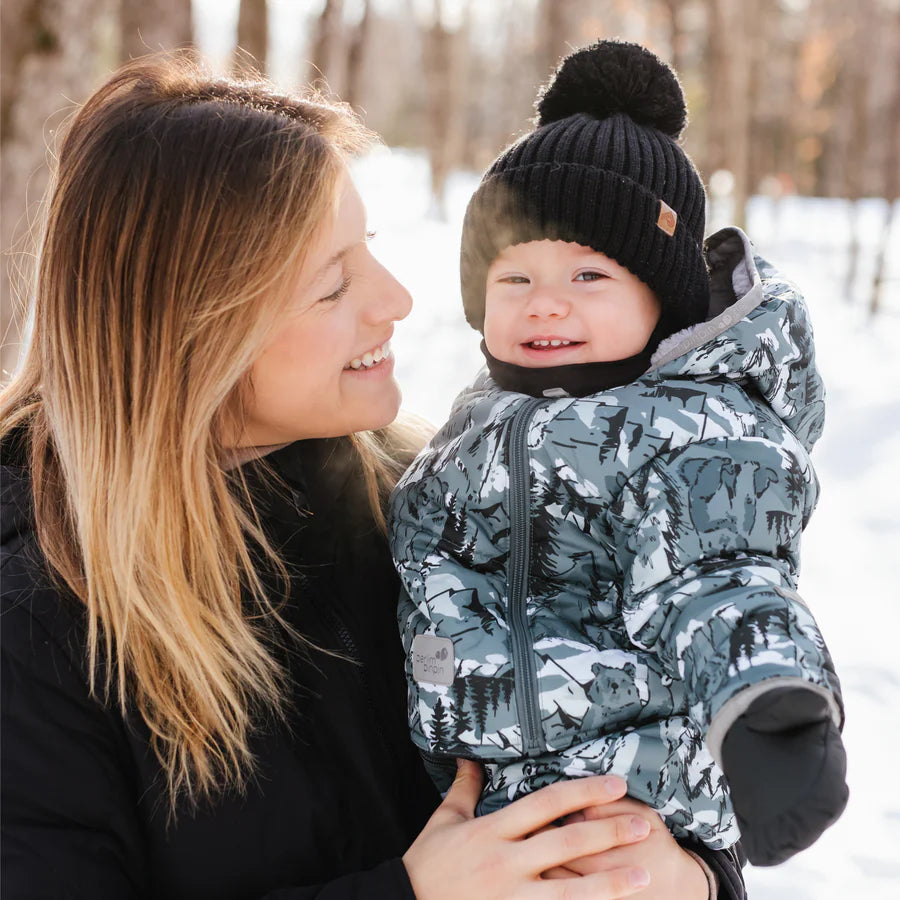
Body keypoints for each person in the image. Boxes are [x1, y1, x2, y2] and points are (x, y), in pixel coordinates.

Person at [0, 54, 747, 900]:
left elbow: (664, 768)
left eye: (372, 250)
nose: (396, 299)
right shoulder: (39, 618)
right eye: (332, 285)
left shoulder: (444, 505)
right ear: (186, 331)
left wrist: (688, 877)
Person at [389, 40, 848, 869]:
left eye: (589, 275)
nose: (547, 302)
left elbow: (722, 582)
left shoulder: (687, 433)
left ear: (660, 298)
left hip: (628, 821)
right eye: (513, 279)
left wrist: (770, 712)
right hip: (482, 818)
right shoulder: (478, 420)